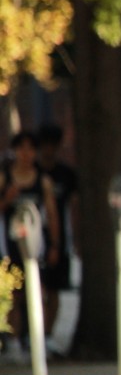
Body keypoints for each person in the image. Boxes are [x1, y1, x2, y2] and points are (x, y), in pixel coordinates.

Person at [0, 132, 61, 361]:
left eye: (30, 149)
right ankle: (14, 343)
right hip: (10, 247)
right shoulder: (5, 179)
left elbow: (52, 215)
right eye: (21, 148)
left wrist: (54, 245)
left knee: (39, 291)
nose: (25, 154)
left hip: (36, 247)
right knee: (14, 296)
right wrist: (7, 199)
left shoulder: (42, 181)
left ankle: (40, 340)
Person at [35, 124, 78, 352]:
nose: (48, 150)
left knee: (54, 289)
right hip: (33, 239)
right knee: (34, 289)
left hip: (59, 239)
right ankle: (31, 334)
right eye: (45, 145)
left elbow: (75, 208)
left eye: (53, 145)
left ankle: (48, 334)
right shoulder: (32, 173)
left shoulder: (66, 175)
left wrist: (74, 239)